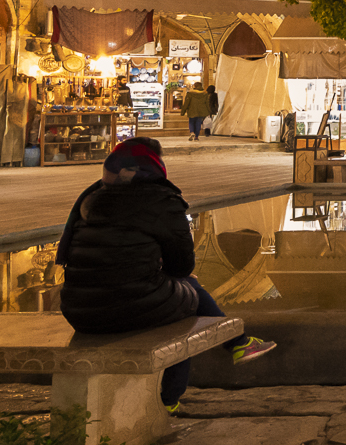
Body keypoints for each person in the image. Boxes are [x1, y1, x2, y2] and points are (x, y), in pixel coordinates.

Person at [56, 137, 275, 411]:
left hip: (79, 311)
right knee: (185, 305)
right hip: (125, 309)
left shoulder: (91, 199)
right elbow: (182, 265)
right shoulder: (162, 200)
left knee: (180, 292)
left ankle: (238, 344)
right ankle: (170, 398)